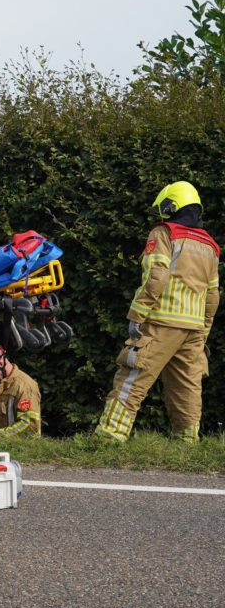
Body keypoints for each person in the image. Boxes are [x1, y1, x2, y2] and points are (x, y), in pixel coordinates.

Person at [96, 181, 220, 443]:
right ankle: (186, 443)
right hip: (194, 329)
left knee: (132, 376)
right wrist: (204, 329)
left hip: (162, 322)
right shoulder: (210, 245)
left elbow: (157, 275)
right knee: (187, 387)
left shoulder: (164, 233)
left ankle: (109, 437)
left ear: (171, 205)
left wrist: (137, 315)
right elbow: (212, 295)